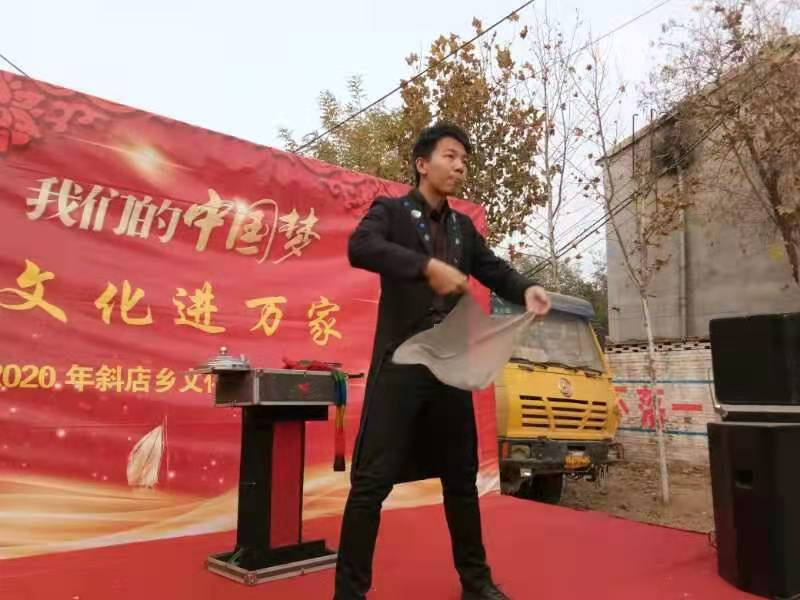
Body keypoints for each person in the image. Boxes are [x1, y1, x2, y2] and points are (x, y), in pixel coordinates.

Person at [334, 123, 551, 600]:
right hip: (402, 364)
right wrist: (425, 266)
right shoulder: (390, 212)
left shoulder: (462, 228)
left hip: (450, 367)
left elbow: (494, 269)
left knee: (461, 479)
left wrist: (525, 289)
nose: (459, 167)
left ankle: (476, 583)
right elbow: (360, 247)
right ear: (422, 163)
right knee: (370, 484)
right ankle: (349, 594)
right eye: (450, 156)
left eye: (464, 161)